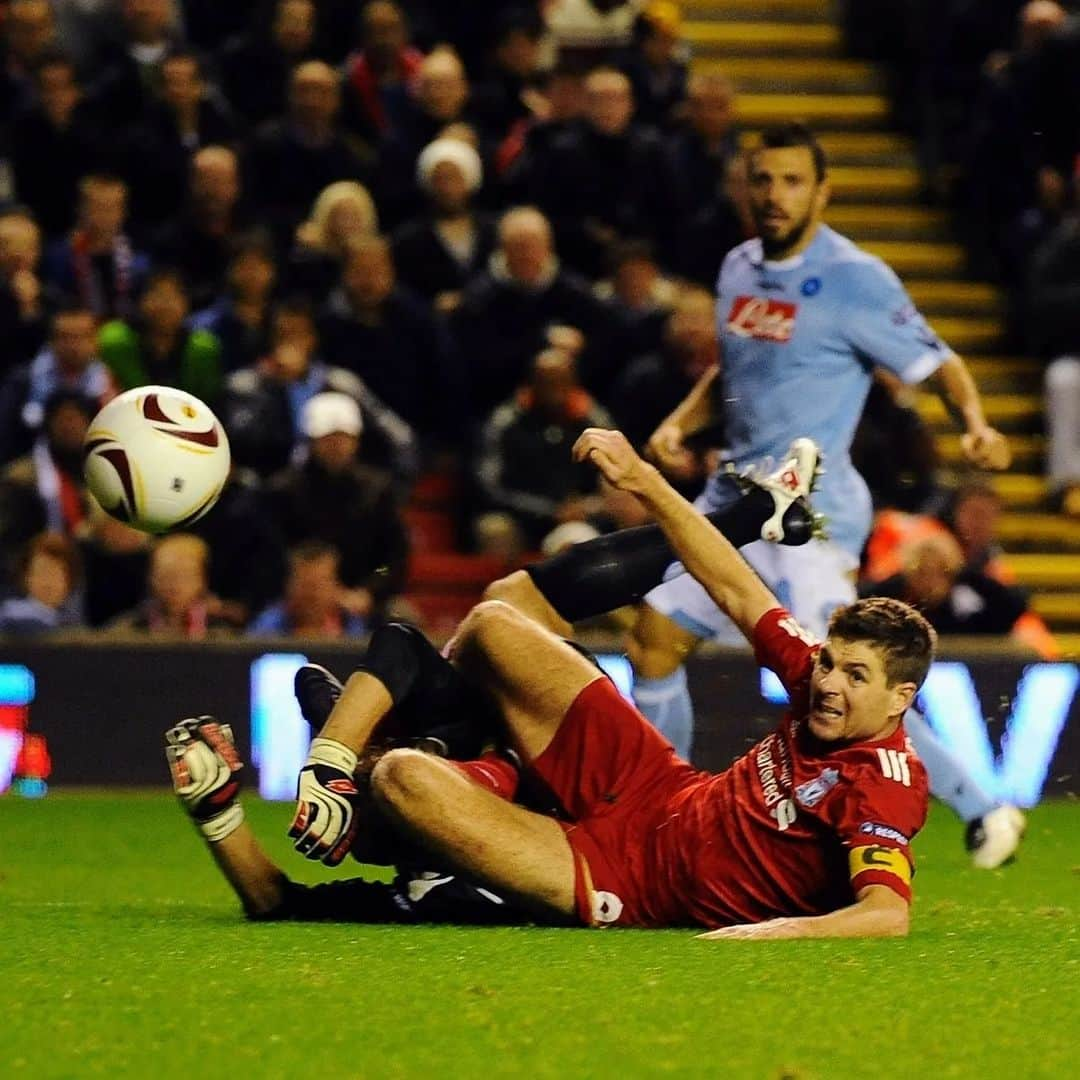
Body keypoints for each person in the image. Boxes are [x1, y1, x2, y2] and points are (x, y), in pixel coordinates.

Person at [166, 429, 933, 936]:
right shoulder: (815, 680)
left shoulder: (884, 778)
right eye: (832, 661)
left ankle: (389, 754)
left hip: (623, 877)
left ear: (901, 698)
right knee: (498, 623)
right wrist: (647, 481)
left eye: (853, 675)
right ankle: (396, 740)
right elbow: (735, 590)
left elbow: (885, 914)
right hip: (652, 784)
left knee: (406, 785)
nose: (827, 682)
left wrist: (766, 934)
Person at [597, 122, 1019, 868]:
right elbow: (735, 368)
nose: (775, 195)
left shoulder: (858, 279)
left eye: (792, 181)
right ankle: (662, 815)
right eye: (762, 180)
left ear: (823, 192)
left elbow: (939, 362)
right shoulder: (737, 268)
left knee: (847, 680)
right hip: (733, 501)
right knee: (653, 640)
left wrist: (977, 425)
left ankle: (984, 808)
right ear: (746, 187)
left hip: (813, 512)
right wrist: (681, 421)